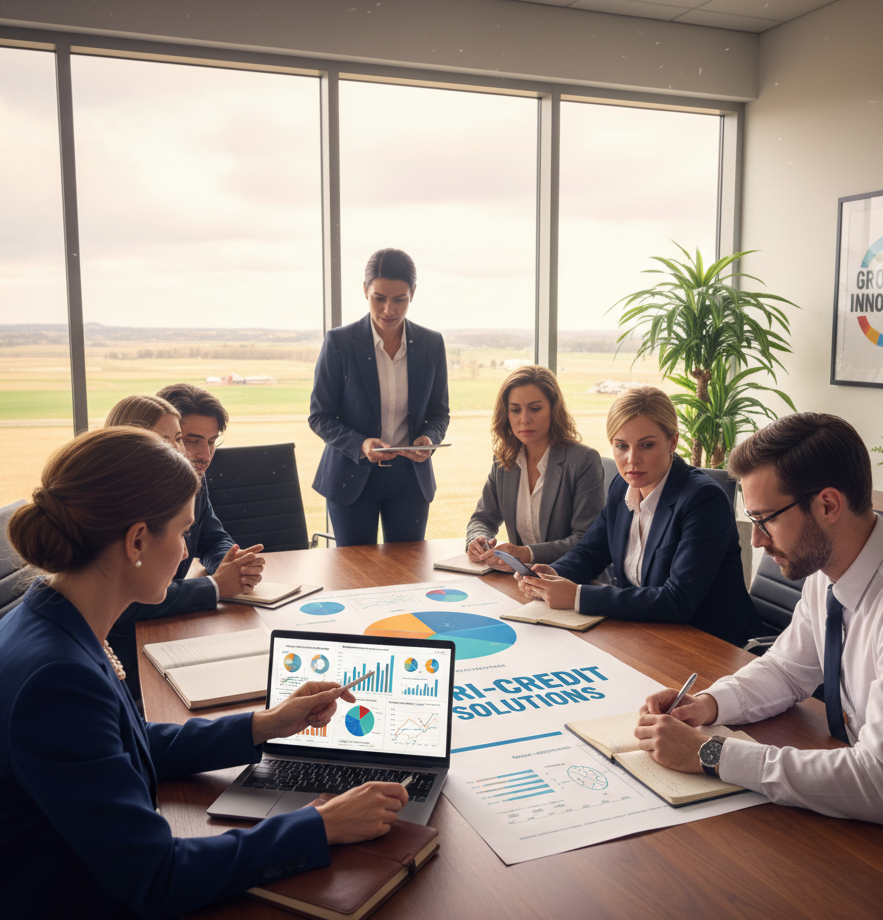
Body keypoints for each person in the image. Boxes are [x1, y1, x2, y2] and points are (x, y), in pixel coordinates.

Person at [0, 427, 409, 920]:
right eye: (185, 530)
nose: (190, 547)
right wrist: (318, 825)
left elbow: (126, 745)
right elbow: (159, 877)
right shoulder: (53, 678)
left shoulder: (50, 621)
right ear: (138, 539)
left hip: (78, 904)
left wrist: (264, 724)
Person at [635, 412, 883, 824]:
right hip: (879, 806)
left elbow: (882, 785)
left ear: (828, 504)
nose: (758, 540)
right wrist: (706, 705)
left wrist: (710, 753)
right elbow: (786, 670)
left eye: (766, 520)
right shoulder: (828, 571)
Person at [518, 385, 761, 647]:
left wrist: (577, 596)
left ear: (673, 441)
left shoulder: (703, 500)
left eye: (646, 445)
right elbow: (589, 553)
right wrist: (550, 575)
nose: (632, 460)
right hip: (645, 635)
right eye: (621, 446)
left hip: (710, 645)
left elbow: (677, 600)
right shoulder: (622, 487)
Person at [106, 387, 265, 706]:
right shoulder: (120, 505)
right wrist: (214, 586)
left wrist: (230, 562)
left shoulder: (190, 480)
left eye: (211, 442)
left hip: (166, 633)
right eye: (187, 440)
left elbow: (209, 535)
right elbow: (128, 601)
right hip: (125, 654)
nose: (203, 455)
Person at [309, 248, 449, 546]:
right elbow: (319, 417)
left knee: (407, 572)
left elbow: (439, 413)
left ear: (413, 293)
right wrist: (360, 444)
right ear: (365, 290)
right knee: (355, 576)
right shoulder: (340, 342)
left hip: (410, 479)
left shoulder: (431, 344)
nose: (389, 310)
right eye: (379, 298)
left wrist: (428, 439)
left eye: (400, 300)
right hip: (351, 475)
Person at [466, 364, 604, 570]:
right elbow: (483, 517)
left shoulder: (583, 460)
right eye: (515, 410)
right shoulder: (504, 461)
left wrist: (527, 553)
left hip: (573, 580)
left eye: (535, 408)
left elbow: (586, 540)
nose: (524, 419)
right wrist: (477, 539)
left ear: (553, 409)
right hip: (522, 579)